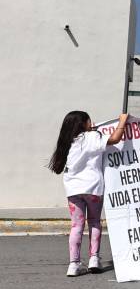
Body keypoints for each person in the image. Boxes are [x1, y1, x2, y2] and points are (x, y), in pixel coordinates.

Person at [48, 111, 130, 276]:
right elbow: (115, 138)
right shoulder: (92, 137)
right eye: (89, 120)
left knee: (76, 226)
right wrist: (122, 121)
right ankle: (94, 258)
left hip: (73, 190)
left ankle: (74, 264)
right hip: (93, 188)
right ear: (83, 123)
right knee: (94, 222)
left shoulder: (67, 142)